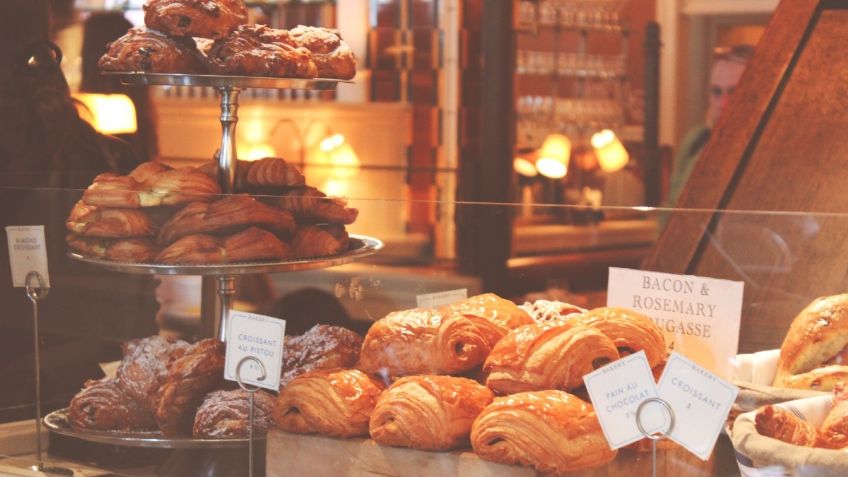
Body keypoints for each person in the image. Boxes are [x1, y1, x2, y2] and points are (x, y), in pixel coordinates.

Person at [0, 0, 158, 422]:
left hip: (72, 385)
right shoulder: (105, 157)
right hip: (86, 381)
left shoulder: (99, 164)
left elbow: (132, 305)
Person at [666, 44, 754, 207]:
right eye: (716, 92)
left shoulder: (766, 146)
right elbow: (671, 207)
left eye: (733, 92)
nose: (722, 103)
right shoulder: (696, 139)